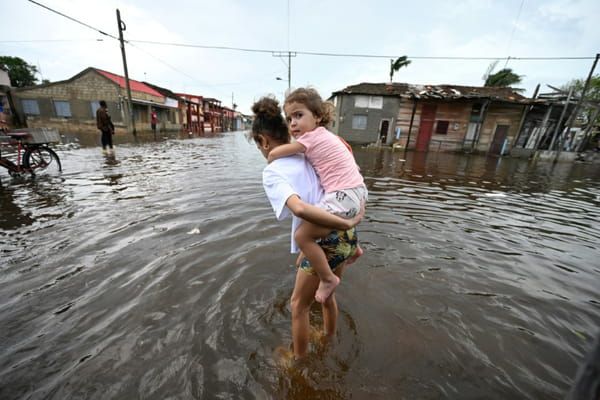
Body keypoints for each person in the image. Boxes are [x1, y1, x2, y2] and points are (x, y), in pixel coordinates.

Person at [250, 96, 364, 359]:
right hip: (346, 237)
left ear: (264, 141)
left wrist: (343, 221)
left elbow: (300, 208)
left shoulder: (273, 172)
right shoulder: (308, 154)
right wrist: (349, 222)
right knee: (327, 295)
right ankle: (330, 339)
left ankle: (299, 364)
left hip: (326, 236)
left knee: (298, 306)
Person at [268, 87, 367, 303]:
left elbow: (277, 153)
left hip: (343, 195)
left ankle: (327, 278)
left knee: (302, 236)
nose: (292, 123)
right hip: (357, 191)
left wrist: (271, 158)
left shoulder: (310, 139)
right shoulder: (332, 137)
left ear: (318, 116)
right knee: (325, 222)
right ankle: (355, 249)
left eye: (299, 115)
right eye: (289, 118)